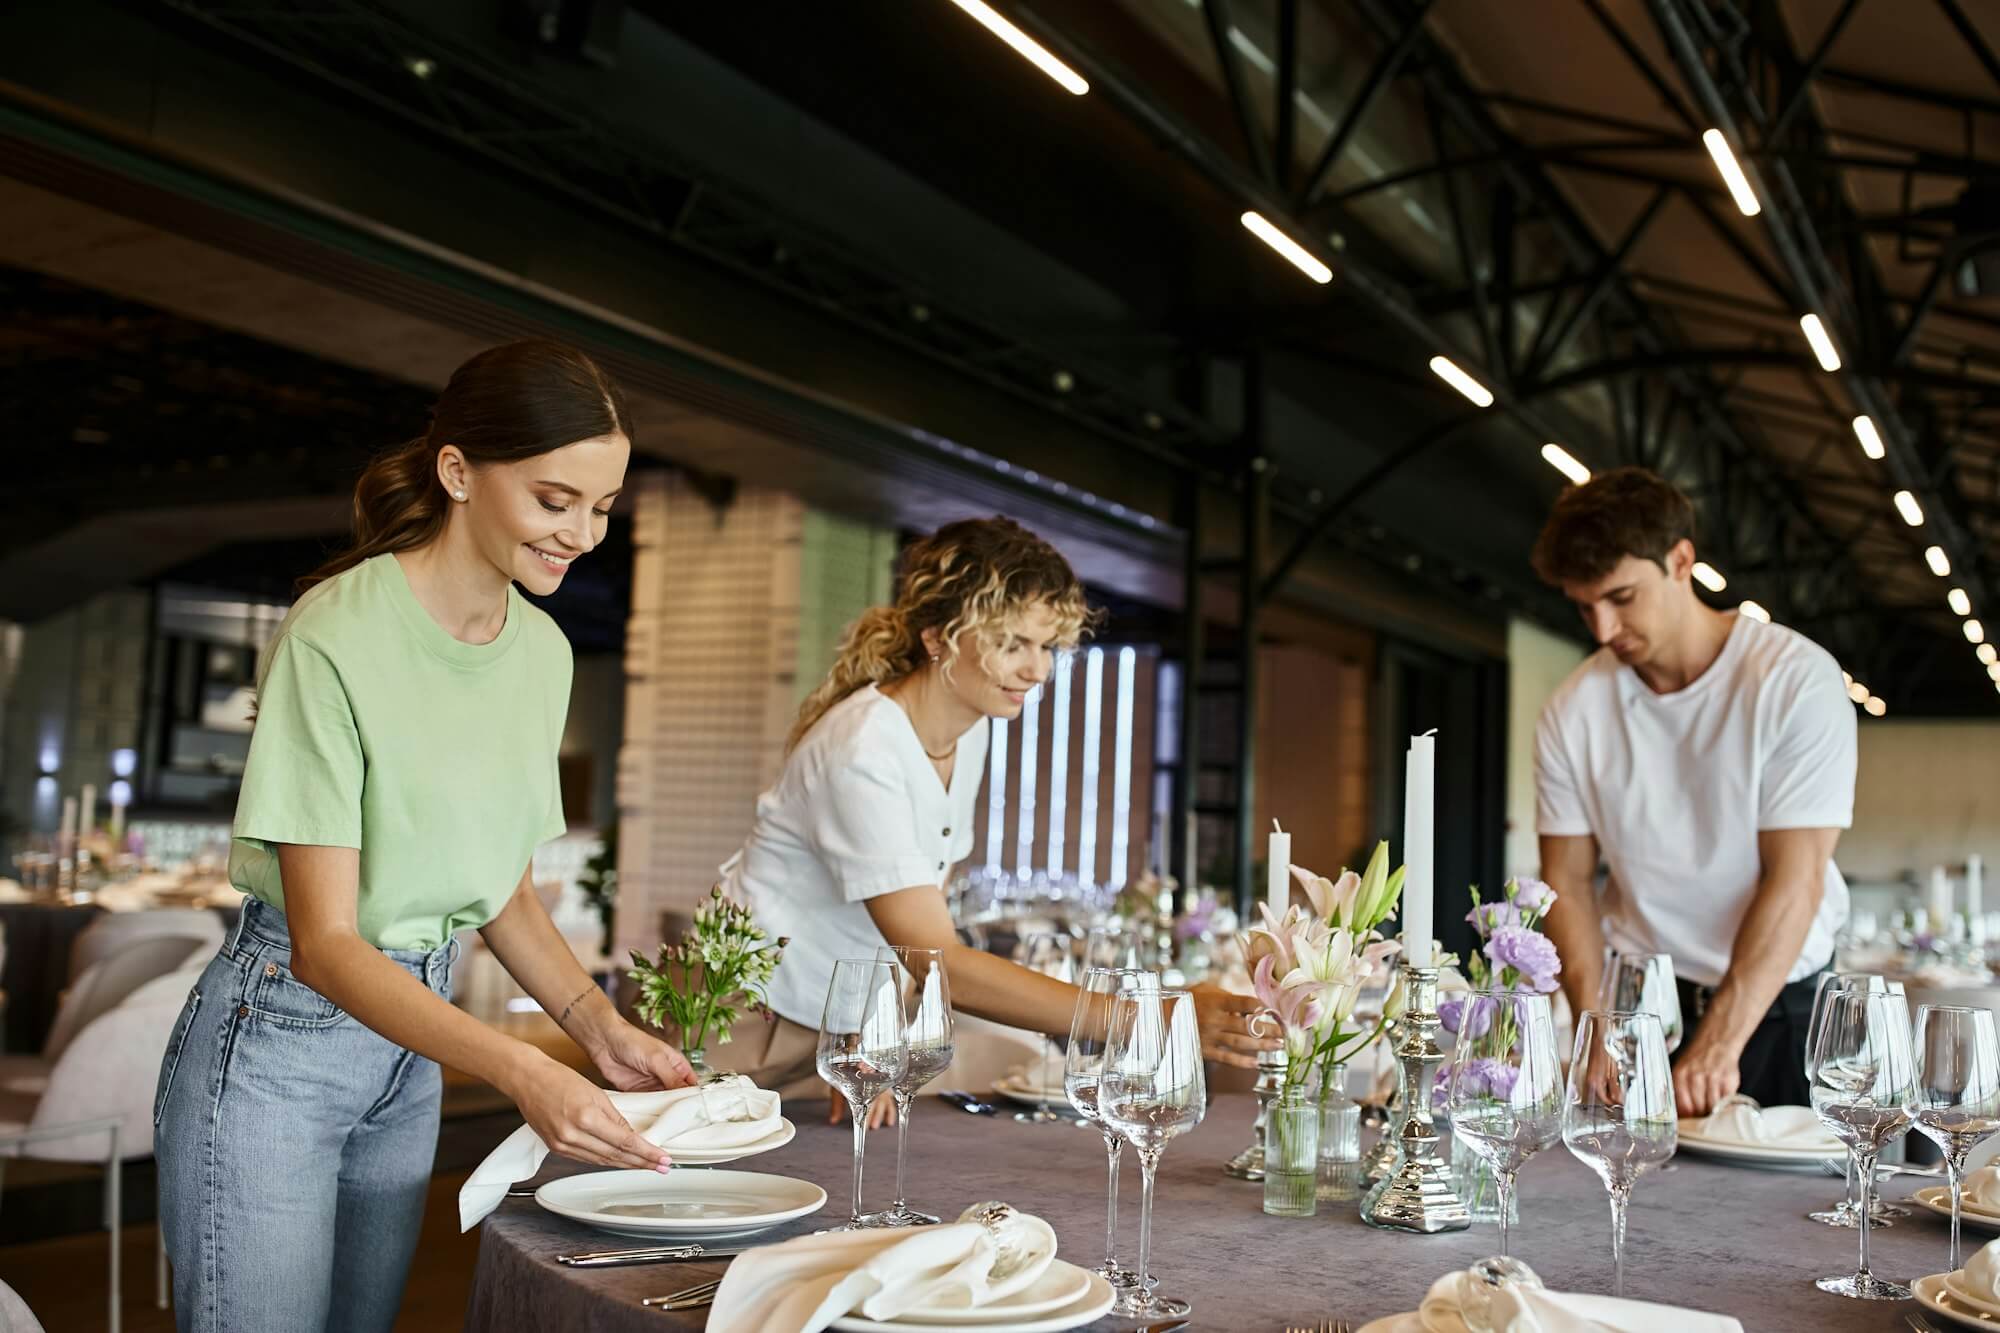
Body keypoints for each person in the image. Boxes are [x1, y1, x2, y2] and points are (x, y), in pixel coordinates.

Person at [154, 341, 694, 1333]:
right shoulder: (335, 635)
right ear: (457, 472)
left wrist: (594, 1027)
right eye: (552, 498)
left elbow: (500, 890)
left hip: (414, 1047)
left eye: (601, 507)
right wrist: (521, 1066)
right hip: (280, 1045)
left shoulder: (541, 652)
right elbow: (325, 944)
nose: (581, 533)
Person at [714, 516, 1274, 1122]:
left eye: (1047, 647)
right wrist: (1153, 1014)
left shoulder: (969, 728)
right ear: (939, 636)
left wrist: (866, 1032)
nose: (1037, 670)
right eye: (1013, 644)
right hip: (748, 1017)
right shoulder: (864, 749)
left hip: (832, 1022)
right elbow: (936, 957)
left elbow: (910, 915)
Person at [1530, 467, 1856, 1116]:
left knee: (1780, 1217)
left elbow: (1796, 880)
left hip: (1776, 1004)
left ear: (1682, 561)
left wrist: (1719, 1042)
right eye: (1583, 604)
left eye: (1621, 597)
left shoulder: (1794, 681)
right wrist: (1594, 1024)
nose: (1601, 629)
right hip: (1641, 1003)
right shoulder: (1571, 710)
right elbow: (1564, 880)